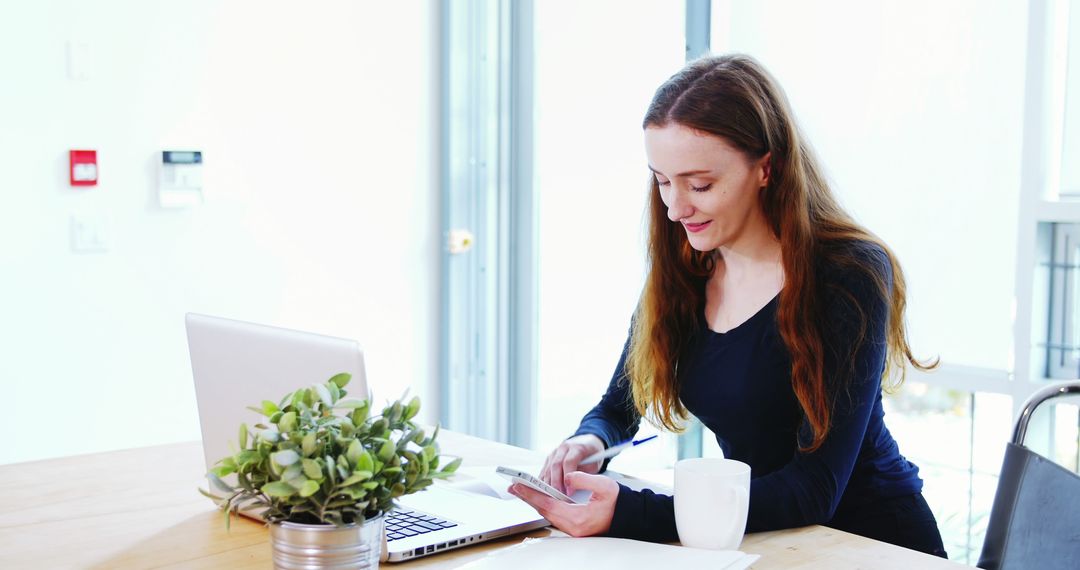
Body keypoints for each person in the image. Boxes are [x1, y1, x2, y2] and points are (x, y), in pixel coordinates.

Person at [506, 54, 948, 558]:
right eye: (661, 180)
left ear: (767, 168)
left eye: (699, 185)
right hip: (761, 539)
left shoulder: (849, 274)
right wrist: (589, 443)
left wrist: (635, 512)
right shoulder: (687, 265)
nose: (675, 208)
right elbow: (619, 406)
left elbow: (814, 489)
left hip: (869, 544)